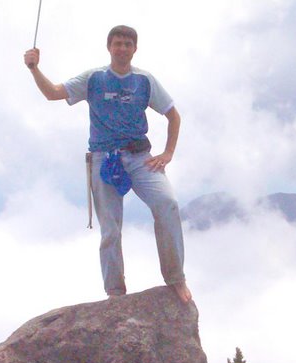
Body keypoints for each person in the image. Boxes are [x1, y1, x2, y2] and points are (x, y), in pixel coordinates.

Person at [24, 25, 192, 303]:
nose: (122, 48)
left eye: (128, 44)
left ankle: (176, 279)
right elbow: (53, 93)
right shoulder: (94, 78)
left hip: (140, 157)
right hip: (104, 158)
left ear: (135, 49)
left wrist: (168, 153)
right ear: (109, 47)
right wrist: (34, 69)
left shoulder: (144, 80)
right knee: (110, 229)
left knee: (167, 204)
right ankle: (115, 293)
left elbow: (173, 115)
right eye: (118, 44)